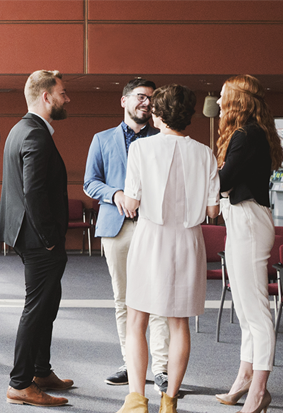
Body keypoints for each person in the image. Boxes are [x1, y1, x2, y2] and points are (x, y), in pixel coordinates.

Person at [99, 84, 220, 413]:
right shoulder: (205, 154)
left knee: (138, 320)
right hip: (189, 242)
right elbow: (213, 210)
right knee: (179, 323)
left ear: (158, 114)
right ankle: (169, 405)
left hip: (151, 238)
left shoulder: (141, 148)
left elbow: (132, 201)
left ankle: (137, 403)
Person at [83, 78, 171, 392]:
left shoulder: (162, 139)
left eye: (151, 98)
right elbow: (90, 182)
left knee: (159, 300)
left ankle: (161, 369)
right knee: (123, 300)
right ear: (124, 101)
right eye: (140, 97)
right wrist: (116, 194)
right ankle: (131, 363)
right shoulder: (102, 139)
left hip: (153, 227)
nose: (146, 103)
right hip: (115, 228)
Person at [0, 70, 73, 407]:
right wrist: (50, 238)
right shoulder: (35, 135)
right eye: (62, 93)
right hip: (38, 238)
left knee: (48, 303)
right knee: (37, 307)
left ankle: (41, 370)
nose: (66, 98)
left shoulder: (22, 129)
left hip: (26, 234)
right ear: (46, 97)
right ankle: (21, 382)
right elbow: (34, 192)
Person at [214, 75, 283, 413]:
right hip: (243, 221)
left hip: (248, 222)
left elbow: (223, 182)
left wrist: (207, 173)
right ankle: (244, 377)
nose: (220, 101)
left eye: (225, 96)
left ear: (238, 100)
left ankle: (259, 389)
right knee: (244, 309)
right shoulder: (251, 133)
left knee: (256, 312)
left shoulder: (246, 135)